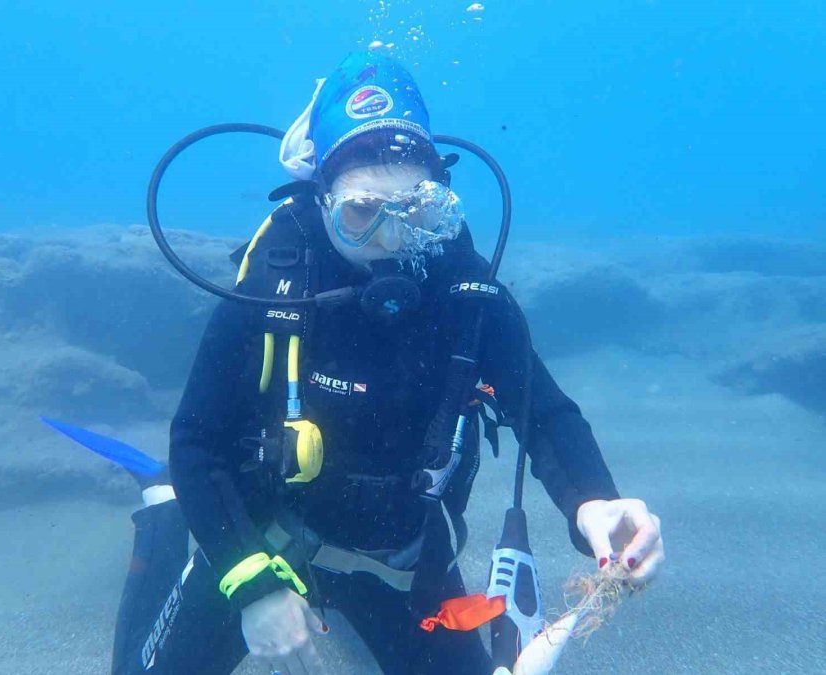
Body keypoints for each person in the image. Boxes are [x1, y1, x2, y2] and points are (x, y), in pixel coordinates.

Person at [107, 51, 665, 675]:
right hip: (266, 537)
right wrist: (253, 586)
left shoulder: (465, 290)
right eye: (362, 212)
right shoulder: (277, 281)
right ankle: (162, 517)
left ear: (442, 198)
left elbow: (547, 416)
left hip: (403, 561)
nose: (392, 238)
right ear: (321, 201)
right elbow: (197, 439)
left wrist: (596, 503)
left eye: (418, 209)